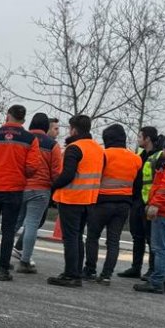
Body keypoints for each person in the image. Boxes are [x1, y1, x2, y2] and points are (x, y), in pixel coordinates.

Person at [0, 104, 42, 281]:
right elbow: (33, 166)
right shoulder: (29, 139)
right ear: (23, 119)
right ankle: (3, 270)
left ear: (7, 116)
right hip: (14, 189)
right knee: (8, 231)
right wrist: (21, 174)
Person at [48, 114, 105, 288]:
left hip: (72, 198)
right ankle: (76, 272)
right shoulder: (97, 149)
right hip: (89, 200)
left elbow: (67, 174)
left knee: (71, 238)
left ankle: (71, 274)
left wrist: (53, 186)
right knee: (78, 236)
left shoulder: (74, 148)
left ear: (73, 129)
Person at [83, 124, 141, 284]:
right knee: (113, 240)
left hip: (101, 202)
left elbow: (95, 178)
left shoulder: (103, 155)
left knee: (93, 237)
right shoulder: (136, 159)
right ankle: (107, 275)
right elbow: (137, 186)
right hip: (123, 204)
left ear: (107, 139)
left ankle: (90, 271)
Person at [13, 112, 63, 273]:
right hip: (41, 189)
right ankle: (25, 261)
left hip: (19, 187)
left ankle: (3, 257)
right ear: (45, 127)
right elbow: (56, 171)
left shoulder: (21, 139)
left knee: (15, 223)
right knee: (32, 224)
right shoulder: (52, 144)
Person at [118, 127, 162, 278]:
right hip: (137, 201)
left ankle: (152, 270)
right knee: (137, 235)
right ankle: (135, 268)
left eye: (140, 136)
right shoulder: (140, 155)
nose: (138, 139)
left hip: (150, 203)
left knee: (151, 238)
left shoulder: (159, 156)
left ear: (147, 138)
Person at [134, 138, 165, 294]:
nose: (164, 152)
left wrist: (154, 204)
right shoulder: (164, 164)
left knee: (161, 248)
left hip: (164, 211)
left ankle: (156, 282)